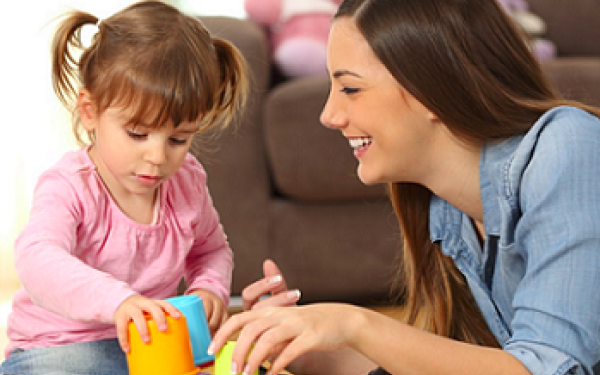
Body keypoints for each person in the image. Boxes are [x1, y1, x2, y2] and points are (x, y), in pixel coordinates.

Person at [209, 0, 600, 375]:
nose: (329, 116)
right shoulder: (448, 212)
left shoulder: (569, 147)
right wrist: (301, 350)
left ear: (432, 87)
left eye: (350, 89)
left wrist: (356, 322)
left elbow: (549, 368)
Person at [0, 1, 248, 374]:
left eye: (179, 139)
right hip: (59, 348)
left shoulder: (188, 182)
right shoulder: (71, 184)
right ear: (90, 111)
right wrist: (119, 301)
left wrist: (209, 288)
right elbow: (37, 258)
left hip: (146, 349)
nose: (157, 156)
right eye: (137, 133)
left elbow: (210, 249)